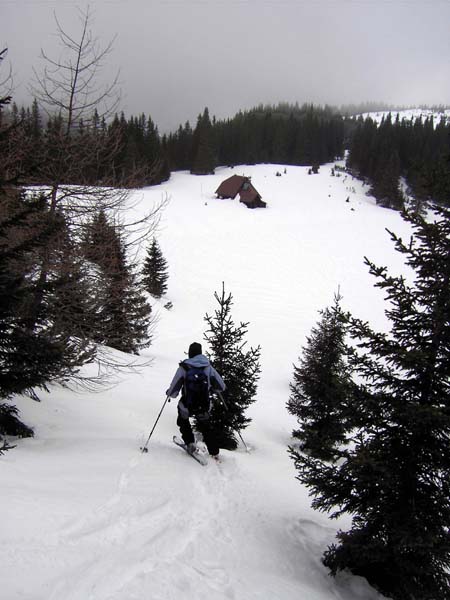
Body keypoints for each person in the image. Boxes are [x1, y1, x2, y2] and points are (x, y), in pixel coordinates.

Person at [166, 342, 225, 459]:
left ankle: (190, 443)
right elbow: (221, 387)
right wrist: (211, 389)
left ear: (190, 353)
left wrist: (169, 393)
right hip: (204, 406)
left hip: (187, 406)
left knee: (183, 420)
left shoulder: (184, 367)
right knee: (206, 427)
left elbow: (173, 391)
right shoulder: (208, 367)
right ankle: (214, 453)